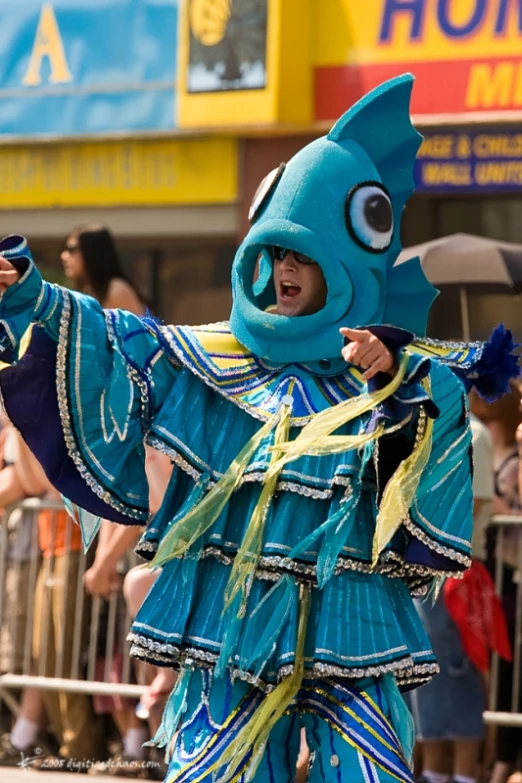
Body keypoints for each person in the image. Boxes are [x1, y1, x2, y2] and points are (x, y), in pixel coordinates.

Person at [0, 75, 517, 783]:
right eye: (275, 253)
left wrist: (391, 383)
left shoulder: (400, 372)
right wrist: (29, 296)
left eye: (301, 255)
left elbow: (435, 450)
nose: (283, 269)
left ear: (345, 262)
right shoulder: (214, 358)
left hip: (352, 627)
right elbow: (111, 337)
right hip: (230, 633)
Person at [409, 410, 496, 783]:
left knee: (459, 678)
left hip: (456, 576)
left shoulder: (473, 433)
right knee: (424, 681)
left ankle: (463, 775)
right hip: (421, 574)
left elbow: (470, 507)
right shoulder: (422, 423)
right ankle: (432, 774)